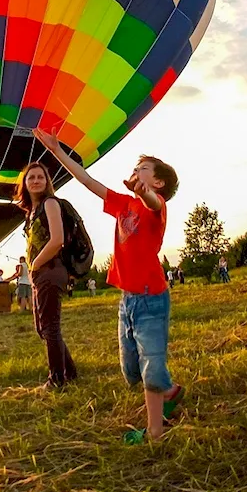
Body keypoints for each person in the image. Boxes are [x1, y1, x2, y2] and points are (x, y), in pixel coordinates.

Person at [34, 128, 183, 440]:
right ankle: (169, 390)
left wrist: (142, 193)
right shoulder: (123, 205)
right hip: (127, 300)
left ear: (158, 183)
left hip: (151, 298)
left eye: (143, 170)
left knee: (149, 365)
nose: (135, 172)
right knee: (130, 371)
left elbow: (153, 203)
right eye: (135, 169)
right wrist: (58, 151)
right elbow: (88, 182)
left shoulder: (155, 207)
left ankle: (155, 430)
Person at [14, 159, 78, 389]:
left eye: (40, 177)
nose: (36, 180)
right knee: (42, 327)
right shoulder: (31, 212)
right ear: (24, 183)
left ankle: (57, 379)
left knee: (50, 326)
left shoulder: (51, 203)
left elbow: (57, 240)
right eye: (31, 177)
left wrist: (35, 264)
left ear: (47, 181)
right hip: (41, 273)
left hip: (51, 270)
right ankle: (69, 371)